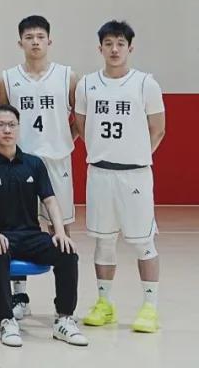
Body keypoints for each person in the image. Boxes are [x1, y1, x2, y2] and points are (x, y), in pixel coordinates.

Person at [0, 104, 88, 347]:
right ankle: (7, 319)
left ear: (19, 127)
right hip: (2, 235)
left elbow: (50, 200)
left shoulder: (33, 163)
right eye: (0, 125)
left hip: (31, 235)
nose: (7, 130)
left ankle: (64, 319)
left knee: (67, 253)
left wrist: (60, 232)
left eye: (12, 125)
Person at [74, 20, 165, 333]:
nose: (114, 49)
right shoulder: (87, 84)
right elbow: (82, 126)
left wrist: (135, 156)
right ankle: (104, 303)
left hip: (135, 175)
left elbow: (158, 129)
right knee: (104, 241)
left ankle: (150, 307)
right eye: (108, 44)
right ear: (99, 48)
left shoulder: (145, 84)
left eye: (120, 44)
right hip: (100, 172)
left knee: (143, 243)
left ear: (130, 47)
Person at [0, 15, 78, 318]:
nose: (35, 42)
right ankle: (19, 296)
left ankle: (64, 303)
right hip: (19, 165)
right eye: (29, 37)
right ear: (20, 43)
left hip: (57, 162)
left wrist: (63, 141)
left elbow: (79, 119)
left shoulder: (67, 76)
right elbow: (1, 117)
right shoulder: (8, 78)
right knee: (16, 227)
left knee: (61, 228)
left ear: (49, 41)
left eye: (40, 37)